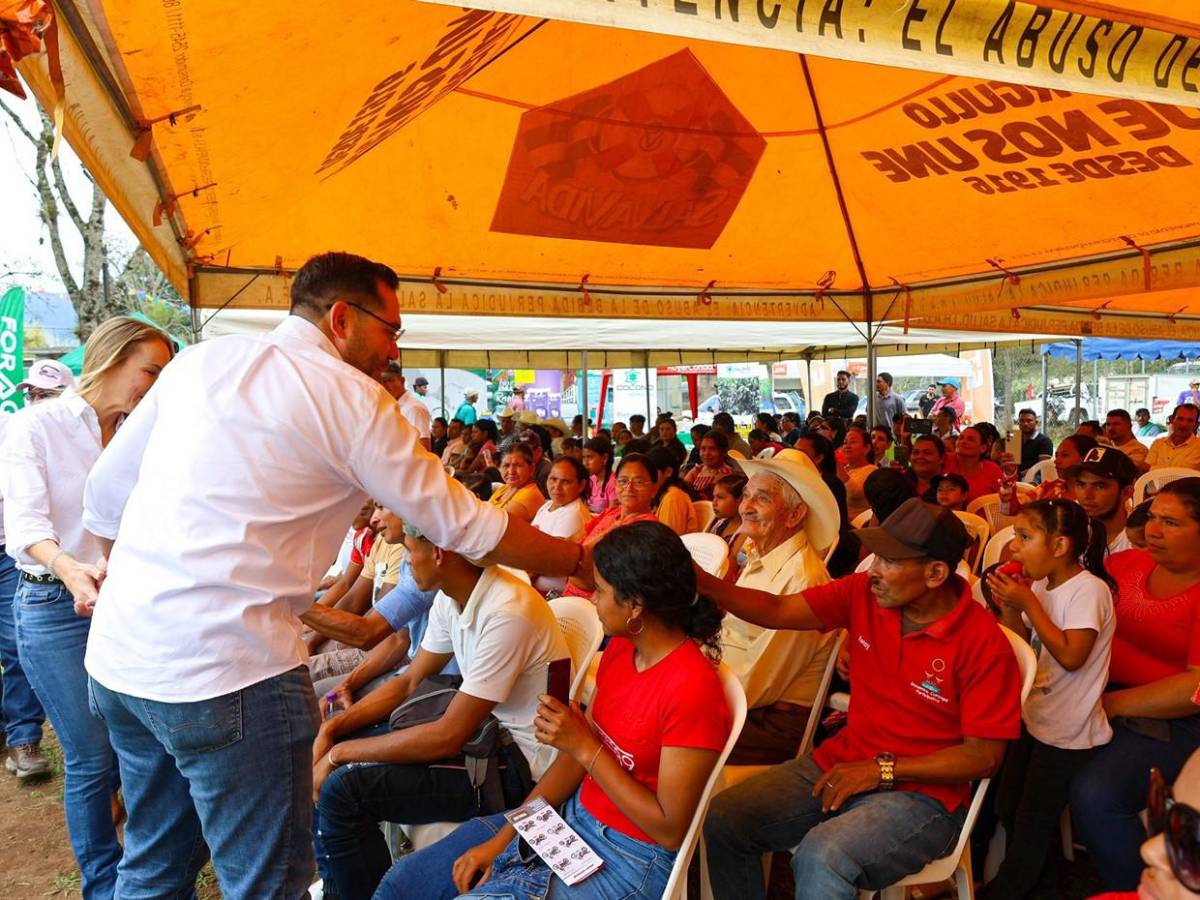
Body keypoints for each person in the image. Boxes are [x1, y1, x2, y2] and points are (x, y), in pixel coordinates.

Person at [79, 252, 584, 897]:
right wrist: (581, 561)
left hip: (122, 659)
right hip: (229, 673)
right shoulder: (353, 399)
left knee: (153, 862)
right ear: (343, 318)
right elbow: (467, 526)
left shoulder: (203, 362)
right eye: (391, 330)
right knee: (269, 884)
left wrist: (151, 576)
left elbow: (103, 495)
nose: (392, 349)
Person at [372, 522, 733, 900]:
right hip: (569, 821)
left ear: (635, 606)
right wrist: (509, 835)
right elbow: (574, 763)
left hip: (629, 857)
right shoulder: (623, 651)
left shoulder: (692, 689)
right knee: (400, 886)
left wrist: (585, 748)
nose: (593, 600)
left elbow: (669, 828)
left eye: (603, 591)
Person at [702, 498, 1022, 899]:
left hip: (925, 799)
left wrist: (881, 770)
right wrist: (703, 582)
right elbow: (778, 609)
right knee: (727, 819)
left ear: (936, 572)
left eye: (890, 560)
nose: (874, 570)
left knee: (823, 856)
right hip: (844, 762)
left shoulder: (982, 644)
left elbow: (985, 757)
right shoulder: (866, 595)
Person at [2, 316, 175, 898]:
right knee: (90, 756)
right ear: (109, 358)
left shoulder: (142, 436)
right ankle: (103, 884)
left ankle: (143, 866)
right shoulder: (35, 426)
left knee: (139, 743)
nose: (156, 383)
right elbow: (24, 527)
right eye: (151, 369)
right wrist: (69, 568)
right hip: (54, 606)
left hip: (125, 603)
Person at [311, 523, 570, 899]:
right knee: (340, 753)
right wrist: (333, 731)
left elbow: (448, 734)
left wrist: (338, 754)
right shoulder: (452, 597)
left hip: (515, 765)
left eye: (411, 552)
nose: (408, 563)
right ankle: (345, 880)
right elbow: (409, 681)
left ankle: (351, 889)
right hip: (482, 740)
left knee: (344, 784)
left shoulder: (507, 611)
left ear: (438, 554)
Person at [982, 500, 1116, 899]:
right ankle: (1042, 887)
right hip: (1035, 714)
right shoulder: (1040, 585)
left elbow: (1073, 657)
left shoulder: (1088, 591)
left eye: (1024, 538)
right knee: (1007, 805)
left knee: (1031, 819)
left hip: (1069, 730)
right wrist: (1010, 608)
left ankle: (1008, 890)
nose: (1014, 548)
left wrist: (1029, 605)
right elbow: (1025, 649)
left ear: (1059, 546)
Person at [1070, 478, 1200, 890]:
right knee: (1014, 751)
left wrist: (1112, 704)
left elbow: (1194, 690)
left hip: (1173, 721)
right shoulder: (1130, 565)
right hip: (1100, 694)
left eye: (1172, 523)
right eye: (1154, 517)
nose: (1153, 530)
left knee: (1097, 794)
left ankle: (1141, 890)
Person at [722, 450, 840, 764]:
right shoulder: (760, 559)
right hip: (734, 702)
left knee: (655, 727)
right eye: (746, 495)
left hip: (766, 722)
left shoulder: (803, 580)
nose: (745, 507)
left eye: (761, 499)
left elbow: (757, 685)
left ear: (794, 514)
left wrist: (686, 698)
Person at [0, 363, 67, 783]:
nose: (36, 401)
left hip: (17, 554)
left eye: (47, 394)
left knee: (16, 647)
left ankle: (24, 740)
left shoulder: (19, 431)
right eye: (32, 393)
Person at [562, 454, 662, 600]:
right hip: (568, 594)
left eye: (639, 482)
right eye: (623, 481)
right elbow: (574, 539)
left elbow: (619, 582)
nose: (629, 487)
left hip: (596, 605)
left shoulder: (646, 529)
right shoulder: (611, 513)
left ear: (654, 489)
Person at [529, 457, 593, 596]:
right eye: (553, 479)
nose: (556, 487)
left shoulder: (573, 513)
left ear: (581, 485)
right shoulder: (547, 505)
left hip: (551, 595)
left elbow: (550, 560)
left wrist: (521, 581)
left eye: (565, 481)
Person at [1068, 447, 1140, 553]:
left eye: (1099, 486)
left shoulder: (1140, 542)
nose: (1087, 495)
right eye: (1081, 485)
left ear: (1126, 493)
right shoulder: (1068, 530)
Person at [944, 424, 1003, 503]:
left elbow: (1006, 501)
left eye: (970, 439)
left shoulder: (992, 470)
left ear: (983, 448)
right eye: (960, 438)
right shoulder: (944, 460)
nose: (963, 442)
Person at [487, 445, 545, 525]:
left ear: (532, 468)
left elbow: (495, 524)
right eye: (506, 465)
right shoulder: (505, 487)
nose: (511, 471)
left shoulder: (531, 494)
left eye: (518, 465)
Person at [648, 445, 699, 535]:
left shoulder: (673, 497)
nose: (648, 477)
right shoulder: (663, 493)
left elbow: (668, 541)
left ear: (668, 472)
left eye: (653, 472)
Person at [708, 473, 749, 578]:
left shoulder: (744, 535)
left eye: (720, 497)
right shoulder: (720, 524)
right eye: (714, 497)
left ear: (740, 500)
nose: (714, 503)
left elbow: (728, 574)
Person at [382, 365, 432, 451]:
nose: (385, 386)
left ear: (402, 381)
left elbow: (424, 448)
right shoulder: (394, 406)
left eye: (389, 380)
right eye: (381, 382)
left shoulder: (414, 408)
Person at [684, 430, 735, 501]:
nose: (706, 453)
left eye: (712, 449)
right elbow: (682, 489)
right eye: (703, 448)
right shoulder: (699, 469)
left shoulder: (726, 473)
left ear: (724, 451)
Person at [839, 425, 876, 521]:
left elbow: (854, 492)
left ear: (866, 448)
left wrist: (837, 464)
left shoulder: (872, 471)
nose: (847, 446)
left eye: (853, 442)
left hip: (858, 526)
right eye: (845, 442)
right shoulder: (844, 469)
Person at [1147, 404, 1200, 470]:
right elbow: (1146, 469)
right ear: (1171, 419)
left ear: (1196, 425)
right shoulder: (1158, 443)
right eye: (1180, 419)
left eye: (1190, 420)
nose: (1184, 425)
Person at [581, 436, 617, 514]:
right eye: (584, 458)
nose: (585, 463)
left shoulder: (614, 483)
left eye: (590, 457)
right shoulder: (591, 479)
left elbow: (612, 515)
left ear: (604, 458)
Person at [907, 433, 946, 502]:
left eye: (927, 453)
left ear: (941, 458)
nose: (920, 457)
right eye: (915, 452)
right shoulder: (901, 482)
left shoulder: (949, 488)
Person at [1016, 408, 1054, 478]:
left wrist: (1019, 475)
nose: (1025, 424)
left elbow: (1042, 467)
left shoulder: (1044, 441)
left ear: (1036, 422)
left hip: (1034, 478)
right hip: (1015, 476)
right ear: (1018, 423)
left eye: (1029, 420)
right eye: (1022, 421)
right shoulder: (1015, 440)